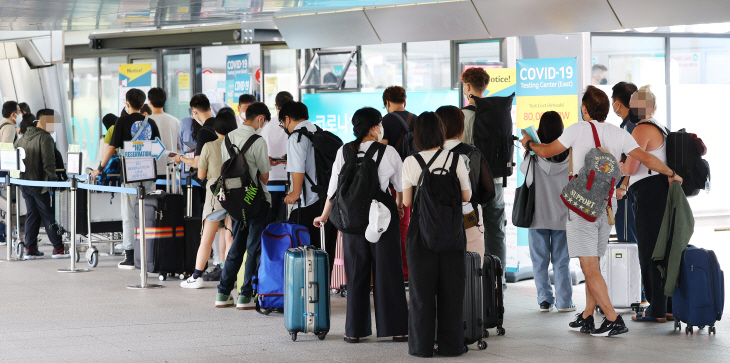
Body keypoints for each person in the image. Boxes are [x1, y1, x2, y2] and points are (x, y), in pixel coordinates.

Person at [520, 85, 683, 337]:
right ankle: (587, 315)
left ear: (584, 108)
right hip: (607, 206)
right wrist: (671, 173)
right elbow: (647, 158)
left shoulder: (578, 129)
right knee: (592, 262)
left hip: (582, 206)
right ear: (608, 109)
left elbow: (547, 151)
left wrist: (529, 143)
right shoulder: (618, 133)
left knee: (589, 266)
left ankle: (612, 318)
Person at [314, 107, 408, 343]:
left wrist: (324, 216)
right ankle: (396, 329)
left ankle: (353, 331)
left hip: (351, 219)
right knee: (388, 272)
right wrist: (398, 205)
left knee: (356, 274)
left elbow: (333, 190)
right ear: (376, 127)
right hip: (382, 220)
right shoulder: (388, 152)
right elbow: (400, 185)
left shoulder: (343, 151)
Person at [403, 112, 471, 357]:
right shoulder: (456, 159)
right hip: (451, 232)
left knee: (421, 292)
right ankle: (451, 346)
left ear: (418, 135)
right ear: (441, 132)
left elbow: (408, 201)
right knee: (452, 291)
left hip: (421, 234)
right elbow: (466, 196)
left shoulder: (411, 162)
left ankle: (421, 347)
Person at [91, 89, 162, 269]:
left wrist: (99, 168)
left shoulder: (121, 122)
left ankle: (130, 255)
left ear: (127, 103)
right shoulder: (151, 122)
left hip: (130, 173)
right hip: (148, 172)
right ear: (143, 103)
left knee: (129, 214)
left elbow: (110, 148)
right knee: (147, 212)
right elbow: (158, 148)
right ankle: (148, 251)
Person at [621, 85, 672, 323]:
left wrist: (620, 165)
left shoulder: (642, 129)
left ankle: (656, 309)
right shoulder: (661, 126)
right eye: (632, 103)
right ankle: (668, 306)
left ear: (649, 107)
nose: (633, 108)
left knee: (649, 250)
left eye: (637, 104)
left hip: (649, 193)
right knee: (663, 249)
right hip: (661, 192)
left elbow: (630, 168)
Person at [214, 102, 272, 310]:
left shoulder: (227, 138)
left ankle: (223, 293)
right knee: (253, 246)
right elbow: (264, 178)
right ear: (260, 119)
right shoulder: (258, 141)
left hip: (236, 203)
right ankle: (245, 295)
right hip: (256, 201)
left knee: (236, 246)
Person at [518, 111, 574, 313]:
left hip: (537, 216)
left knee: (539, 261)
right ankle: (564, 302)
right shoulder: (571, 153)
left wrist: (529, 146)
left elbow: (524, 173)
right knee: (561, 261)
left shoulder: (532, 156)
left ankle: (544, 299)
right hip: (562, 216)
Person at [461, 67, 508, 290]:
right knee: (496, 232)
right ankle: (499, 281)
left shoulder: (463, 116)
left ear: (468, 87)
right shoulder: (498, 114)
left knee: (471, 231)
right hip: (496, 183)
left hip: (470, 187)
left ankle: (475, 279)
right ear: (485, 87)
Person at [180, 112, 236, 289]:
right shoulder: (237, 145)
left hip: (216, 196)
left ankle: (196, 276)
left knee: (206, 238)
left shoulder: (210, 146)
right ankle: (230, 274)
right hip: (235, 195)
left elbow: (202, 174)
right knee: (229, 236)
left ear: (216, 128)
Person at [435, 106, 494, 256]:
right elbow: (489, 190)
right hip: (468, 218)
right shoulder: (472, 153)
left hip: (436, 219)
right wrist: (475, 201)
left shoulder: (428, 155)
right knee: (472, 267)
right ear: (461, 126)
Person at [14, 114, 68, 260]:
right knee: (49, 214)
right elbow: (48, 162)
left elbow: (15, 159)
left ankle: (30, 248)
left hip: (25, 183)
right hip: (41, 184)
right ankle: (58, 248)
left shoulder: (22, 139)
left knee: (33, 214)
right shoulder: (45, 138)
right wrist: (53, 180)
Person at [380, 86, 415, 282]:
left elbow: (382, 150)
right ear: (405, 100)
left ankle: (404, 271)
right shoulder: (416, 119)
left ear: (386, 102)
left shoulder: (386, 121)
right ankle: (411, 268)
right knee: (409, 225)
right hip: (414, 179)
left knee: (399, 226)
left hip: (395, 182)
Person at [280, 101, 324, 248]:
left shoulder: (296, 137)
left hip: (306, 202)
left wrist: (295, 193)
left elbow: (298, 168)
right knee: (320, 247)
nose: (285, 127)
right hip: (323, 198)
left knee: (303, 249)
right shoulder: (317, 130)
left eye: (283, 123)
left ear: (288, 119)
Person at [261, 91, 293, 223]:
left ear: (275, 105)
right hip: (291, 178)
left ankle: (270, 243)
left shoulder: (267, 126)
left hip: (271, 178)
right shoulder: (294, 124)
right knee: (287, 220)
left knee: (269, 220)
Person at [147, 87, 181, 177]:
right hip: (171, 170)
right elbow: (179, 145)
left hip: (151, 170)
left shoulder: (145, 122)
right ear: (164, 101)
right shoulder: (175, 121)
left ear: (149, 102)